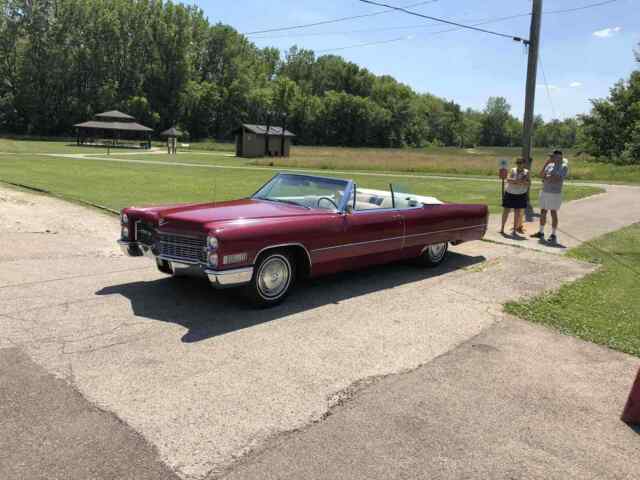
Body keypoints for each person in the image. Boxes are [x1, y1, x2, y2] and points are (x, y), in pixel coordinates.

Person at [531, 150, 569, 244]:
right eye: (551, 157)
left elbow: (556, 179)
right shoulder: (549, 165)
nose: (551, 158)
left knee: (553, 212)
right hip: (545, 191)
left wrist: (546, 178)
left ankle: (553, 234)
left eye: (553, 157)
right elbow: (540, 175)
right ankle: (541, 232)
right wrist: (546, 164)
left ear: (559, 157)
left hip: (555, 193)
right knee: (543, 211)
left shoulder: (563, 167)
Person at [500, 158, 530, 235]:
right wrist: (518, 181)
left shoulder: (526, 172)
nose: (519, 164)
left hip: (520, 194)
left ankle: (514, 229)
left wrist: (518, 181)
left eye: (520, 163)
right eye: (517, 163)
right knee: (506, 210)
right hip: (510, 192)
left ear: (524, 164)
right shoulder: (513, 170)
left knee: (517, 212)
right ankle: (502, 228)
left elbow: (527, 183)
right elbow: (508, 179)